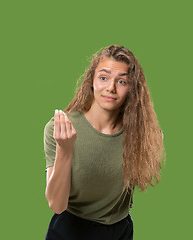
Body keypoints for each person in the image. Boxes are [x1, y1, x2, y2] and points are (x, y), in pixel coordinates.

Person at [43, 45, 166, 239]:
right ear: (91, 80)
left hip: (119, 231)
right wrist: (65, 150)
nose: (111, 88)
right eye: (103, 77)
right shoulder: (61, 128)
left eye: (122, 81)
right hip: (71, 230)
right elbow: (57, 205)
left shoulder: (142, 134)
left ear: (132, 88)